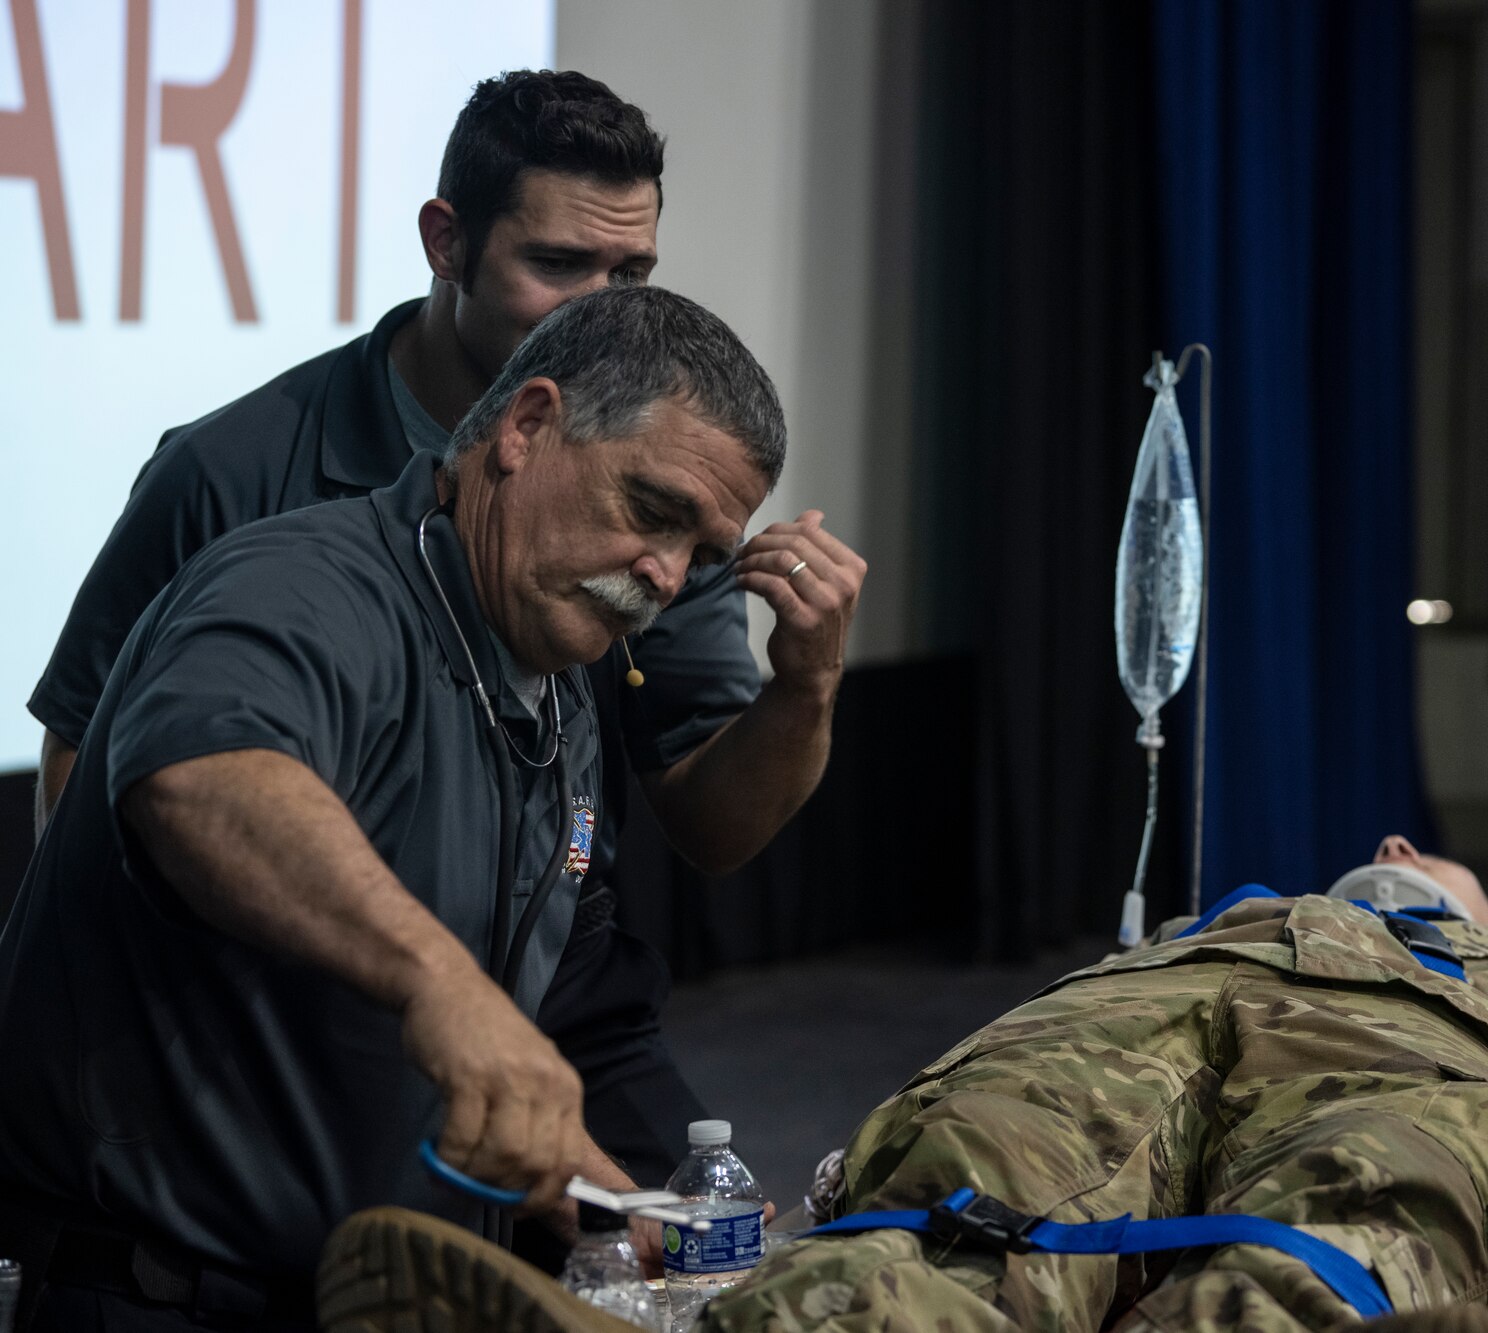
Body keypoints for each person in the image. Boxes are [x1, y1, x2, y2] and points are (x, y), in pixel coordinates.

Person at [26, 70, 864, 1192]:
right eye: (558, 264)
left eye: (630, 273)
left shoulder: (626, 548)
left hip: (534, 990)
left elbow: (706, 817)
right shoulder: (259, 507)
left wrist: (800, 690)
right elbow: (148, 763)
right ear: (448, 244)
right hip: (272, 1040)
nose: (595, 306)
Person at [0, 285, 853, 1331]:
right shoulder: (303, 581)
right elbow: (201, 774)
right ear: (526, 427)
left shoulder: (557, 690)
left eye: (702, 554)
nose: (665, 576)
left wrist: (624, 1201)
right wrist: (439, 985)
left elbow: (558, 1017)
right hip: (160, 1296)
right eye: (652, 511)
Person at [314, 839, 1488, 1333]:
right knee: (966, 1193)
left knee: (1366, 1195)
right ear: (1388, 852)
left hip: (1415, 1055)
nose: (1414, 865)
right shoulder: (1217, 921)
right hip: (1136, 1023)